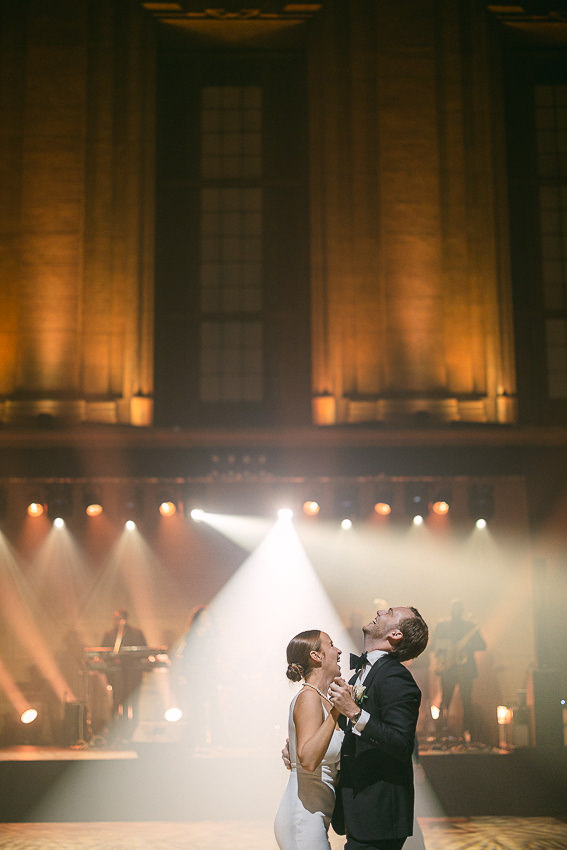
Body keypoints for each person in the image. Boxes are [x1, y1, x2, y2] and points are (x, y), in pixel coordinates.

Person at [274, 630, 344, 850]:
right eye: (331, 645)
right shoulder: (309, 697)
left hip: (314, 815)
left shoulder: (322, 698)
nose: (339, 650)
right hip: (302, 817)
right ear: (317, 656)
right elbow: (309, 760)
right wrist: (336, 713)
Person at [430, 598, 486, 740]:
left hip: (465, 668)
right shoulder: (442, 625)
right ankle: (442, 731)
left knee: (466, 701)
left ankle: (468, 732)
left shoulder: (470, 626)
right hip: (448, 667)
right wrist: (447, 650)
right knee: (445, 700)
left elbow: (482, 645)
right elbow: (434, 646)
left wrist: (466, 646)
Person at [101, 608, 147, 740]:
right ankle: (115, 733)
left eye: (119, 618)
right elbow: (103, 653)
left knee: (133, 704)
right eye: (115, 618)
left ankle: (132, 734)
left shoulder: (137, 634)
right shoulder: (109, 634)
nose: (117, 621)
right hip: (116, 675)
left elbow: (143, 652)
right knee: (117, 703)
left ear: (125, 619)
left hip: (133, 675)